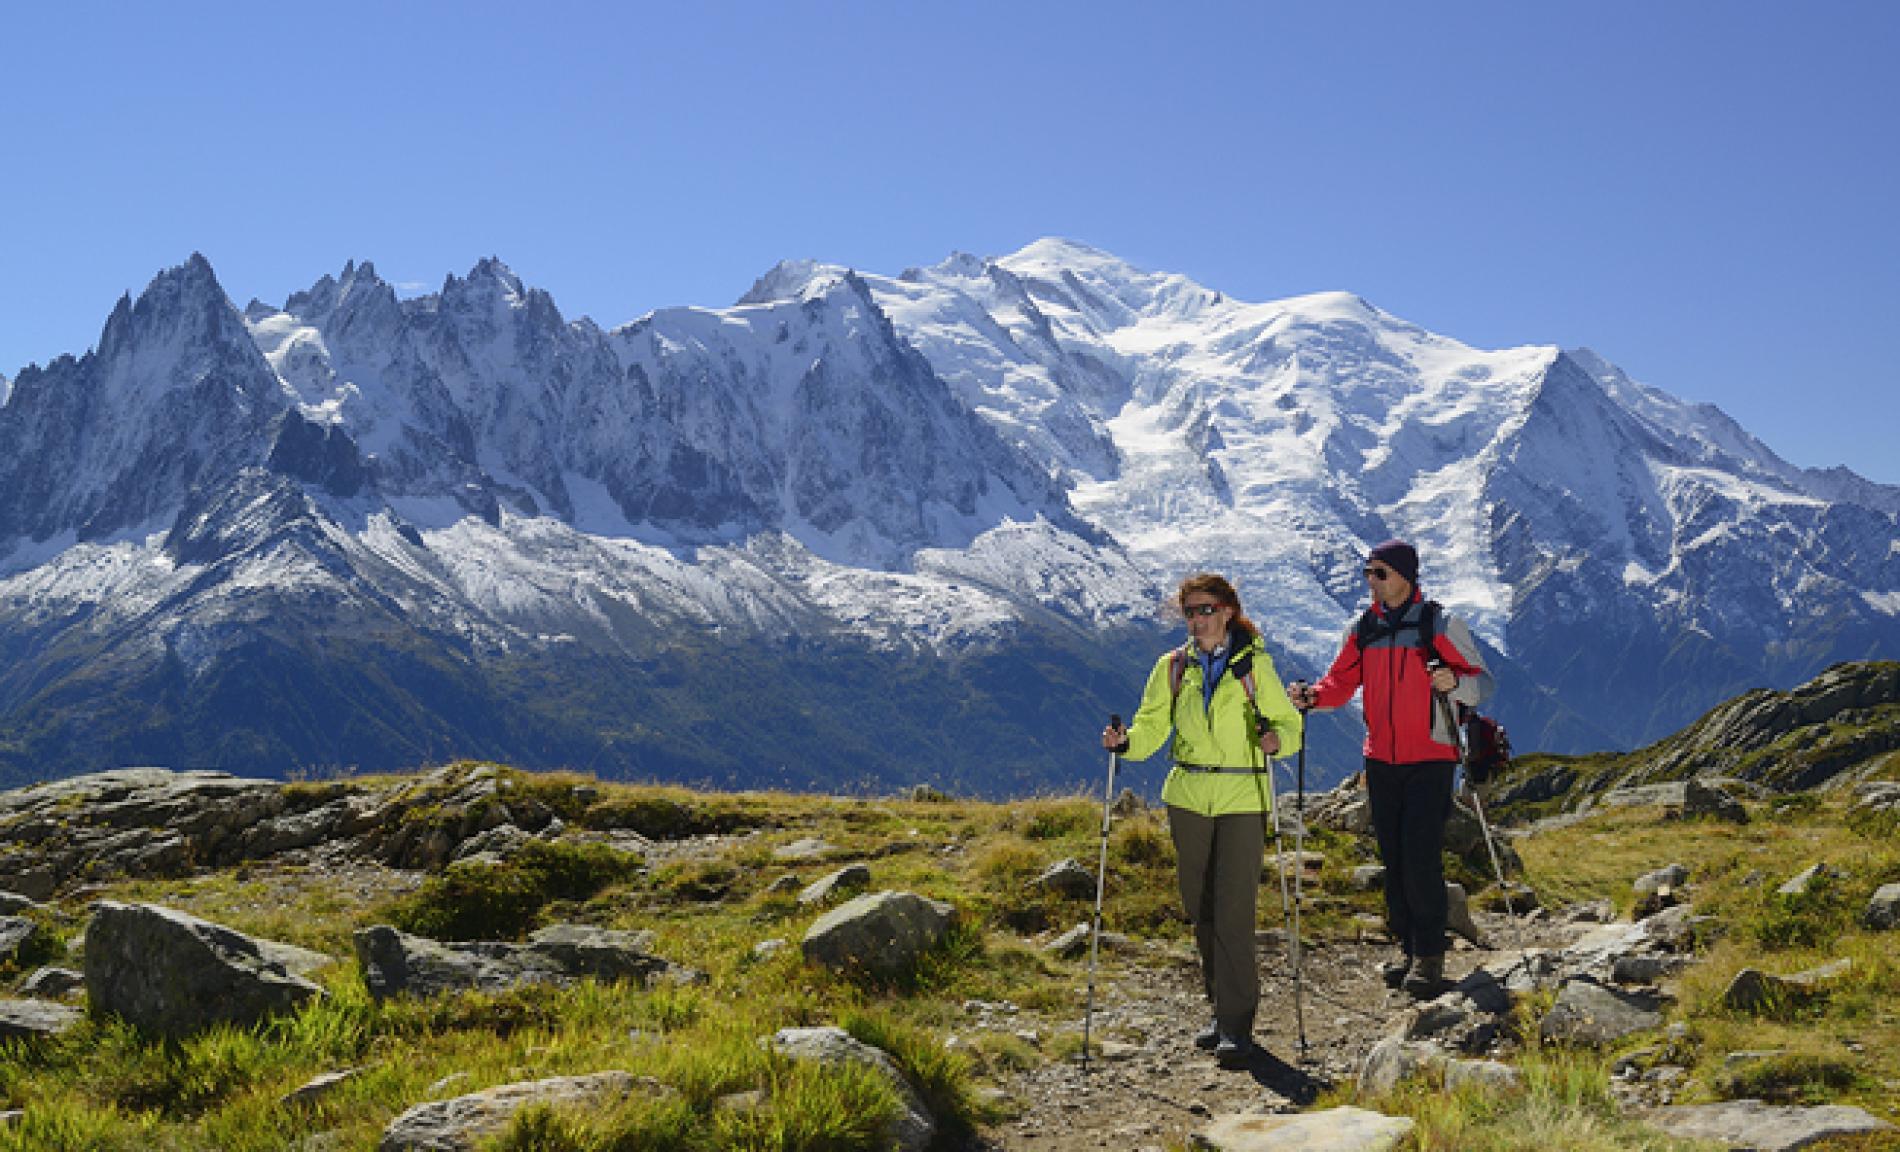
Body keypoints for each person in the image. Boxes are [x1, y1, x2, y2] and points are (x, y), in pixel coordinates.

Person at [1101, 573, 1303, 1066]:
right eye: (1189, 611)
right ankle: (1219, 1008)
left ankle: (1237, 1022)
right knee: (1201, 907)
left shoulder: (1255, 666)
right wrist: (1127, 743)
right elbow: (1152, 725)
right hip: (1189, 795)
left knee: (1233, 910)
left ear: (1229, 610)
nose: (1197, 619)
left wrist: (1280, 740)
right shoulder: (1172, 668)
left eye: (1206, 609)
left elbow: (1288, 723)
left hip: (1242, 793)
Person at [1287, 540, 1494, 999]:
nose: (1371, 582)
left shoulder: (1440, 624)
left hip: (1432, 757)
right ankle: (1407, 948)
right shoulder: (1363, 628)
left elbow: (1482, 684)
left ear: (1404, 575)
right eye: (1367, 573)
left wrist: (1455, 682)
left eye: (1379, 573)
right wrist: (1314, 697)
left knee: (1420, 856)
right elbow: (1341, 682)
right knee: (1394, 856)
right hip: (1380, 757)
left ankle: (1429, 954)